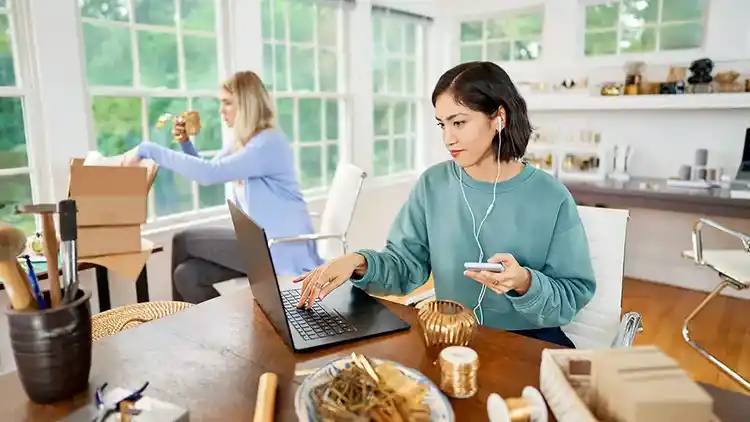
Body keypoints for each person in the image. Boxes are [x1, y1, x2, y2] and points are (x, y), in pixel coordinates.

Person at [293, 62, 596, 348]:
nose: (448, 138)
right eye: (442, 125)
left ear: (499, 118)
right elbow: (406, 265)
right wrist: (357, 262)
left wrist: (525, 282)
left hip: (529, 342)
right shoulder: (433, 184)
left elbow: (571, 296)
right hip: (451, 337)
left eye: (459, 122)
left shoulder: (550, 196)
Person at [123, 70, 323, 304]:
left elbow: (209, 175)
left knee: (182, 240)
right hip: (258, 243)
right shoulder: (243, 143)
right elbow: (210, 167)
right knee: (187, 276)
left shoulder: (267, 143)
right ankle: (219, 329)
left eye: (227, 103)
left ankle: (176, 324)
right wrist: (186, 144)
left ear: (246, 105)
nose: (221, 110)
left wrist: (148, 149)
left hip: (277, 249)